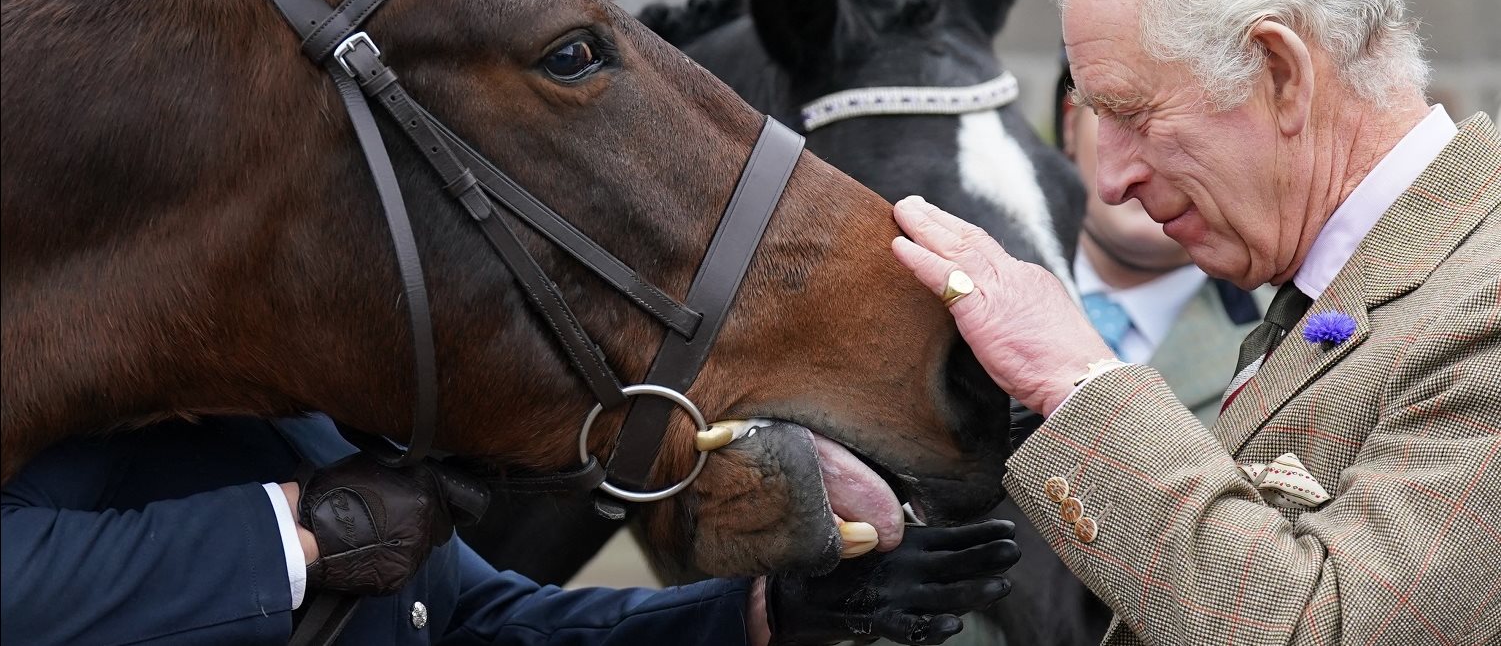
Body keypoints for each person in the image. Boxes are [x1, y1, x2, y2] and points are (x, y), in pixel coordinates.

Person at [891, 0, 1501, 645]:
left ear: (1280, 70)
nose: (1109, 182)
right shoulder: (1345, 291)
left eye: (1134, 115)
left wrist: (1076, 380)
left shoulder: (1479, 300)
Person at [1, 412, 1019, 645]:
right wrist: (308, 533)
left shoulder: (298, 407)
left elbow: (489, 622)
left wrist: (765, 612)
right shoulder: (72, 379)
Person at [1056, 63, 1269, 425]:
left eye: (1201, 119)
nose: (1148, 158)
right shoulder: (973, 296)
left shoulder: (1292, 340)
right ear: (1070, 126)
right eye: (1123, 112)